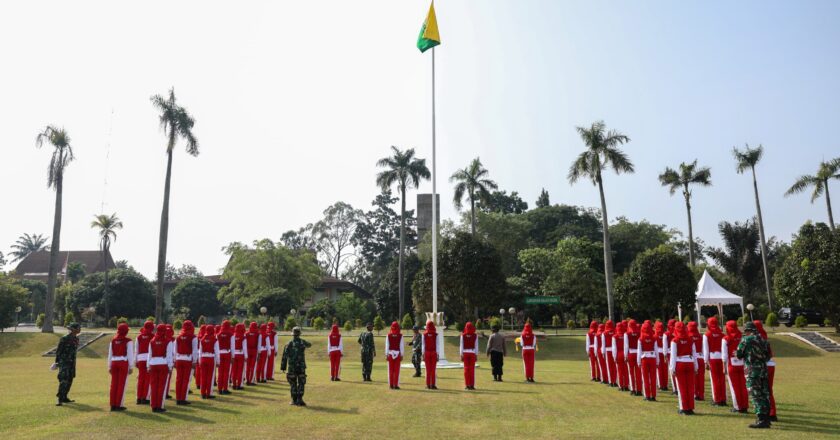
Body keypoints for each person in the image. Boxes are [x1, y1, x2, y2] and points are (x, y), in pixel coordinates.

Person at [738, 321, 773, 429]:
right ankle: (766, 418)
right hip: (763, 370)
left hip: (752, 371)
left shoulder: (746, 340)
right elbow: (769, 355)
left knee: (756, 395)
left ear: (748, 331)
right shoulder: (764, 340)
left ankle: (761, 419)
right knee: (765, 394)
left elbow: (739, 354)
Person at [669, 322, 698, 415]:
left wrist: (672, 369)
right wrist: (696, 366)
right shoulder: (690, 340)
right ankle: (690, 407)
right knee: (690, 387)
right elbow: (694, 354)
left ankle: (683, 408)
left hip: (680, 363)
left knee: (681, 387)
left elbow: (673, 356)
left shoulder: (675, 340)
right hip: (690, 363)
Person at [722, 320, 749, 413]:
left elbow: (724, 356)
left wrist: (724, 367)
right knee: (743, 386)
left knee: (734, 387)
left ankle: (737, 407)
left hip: (731, 364)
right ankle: (744, 406)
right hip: (742, 363)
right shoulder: (742, 337)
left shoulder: (726, 339)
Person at [52, 322, 81, 406]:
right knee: (63, 380)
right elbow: (59, 351)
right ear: (73, 329)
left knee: (70, 379)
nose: (79, 329)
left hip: (72, 363)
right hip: (64, 362)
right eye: (78, 328)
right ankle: (59, 398)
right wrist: (57, 362)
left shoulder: (76, 339)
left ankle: (65, 397)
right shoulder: (64, 338)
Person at [753, 320, 777, 421]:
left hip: (762, 366)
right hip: (771, 364)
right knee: (769, 390)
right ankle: (772, 412)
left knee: (762, 391)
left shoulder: (755, 338)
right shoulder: (764, 335)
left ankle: (766, 414)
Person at [107, 323, 135, 411]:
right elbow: (130, 354)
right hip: (123, 362)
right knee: (121, 384)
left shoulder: (113, 340)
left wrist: (109, 366)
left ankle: (113, 404)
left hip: (114, 362)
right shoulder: (128, 341)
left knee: (114, 384)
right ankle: (119, 404)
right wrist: (131, 366)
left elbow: (110, 354)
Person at [281, 327, 312, 406]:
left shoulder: (288, 344)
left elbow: (284, 357)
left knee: (293, 383)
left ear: (293, 334)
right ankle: (300, 399)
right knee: (301, 382)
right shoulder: (302, 342)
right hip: (301, 366)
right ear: (299, 334)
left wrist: (283, 367)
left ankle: (294, 400)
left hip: (292, 367)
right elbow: (309, 345)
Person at [147, 324, 173, 413]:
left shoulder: (152, 341)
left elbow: (149, 354)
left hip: (153, 364)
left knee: (153, 386)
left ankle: (153, 405)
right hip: (163, 364)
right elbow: (169, 356)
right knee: (161, 386)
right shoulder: (168, 341)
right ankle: (159, 406)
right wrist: (170, 367)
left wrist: (148, 366)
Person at [703, 317, 727, 407]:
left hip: (713, 358)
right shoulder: (722, 334)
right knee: (722, 379)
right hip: (721, 357)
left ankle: (717, 399)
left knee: (714, 380)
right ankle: (723, 399)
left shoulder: (707, 335)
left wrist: (706, 361)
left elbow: (706, 350)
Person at [173, 320, 198, 405]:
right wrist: (194, 361)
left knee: (178, 379)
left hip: (179, 358)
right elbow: (195, 350)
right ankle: (183, 398)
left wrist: (175, 360)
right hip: (187, 359)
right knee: (185, 380)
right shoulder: (193, 337)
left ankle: (178, 398)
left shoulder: (178, 337)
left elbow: (175, 350)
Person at [637, 320, 658, 401]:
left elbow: (639, 351)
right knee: (653, 378)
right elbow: (656, 350)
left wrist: (638, 361)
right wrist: (657, 361)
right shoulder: (654, 337)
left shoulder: (640, 339)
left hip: (644, 358)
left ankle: (647, 396)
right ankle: (653, 396)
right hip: (653, 357)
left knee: (645, 378)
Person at [198, 322, 220, 399]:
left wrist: (199, 361)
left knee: (203, 376)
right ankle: (209, 393)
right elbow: (216, 351)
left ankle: (202, 393)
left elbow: (200, 351)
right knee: (210, 377)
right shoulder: (214, 339)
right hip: (210, 358)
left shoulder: (202, 339)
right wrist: (218, 361)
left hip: (203, 358)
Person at [134, 320, 154, 405]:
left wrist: (135, 360)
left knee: (140, 379)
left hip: (140, 358)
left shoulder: (139, 337)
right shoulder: (153, 336)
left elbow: (136, 350)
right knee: (147, 379)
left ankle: (138, 397)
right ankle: (145, 398)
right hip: (149, 359)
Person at [687, 321, 705, 401]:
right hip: (701, 357)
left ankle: (695, 394)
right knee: (701, 378)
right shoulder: (700, 336)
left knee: (693, 378)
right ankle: (701, 395)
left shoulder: (688, 336)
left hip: (692, 358)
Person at [624, 319, 642, 396]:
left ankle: (633, 389)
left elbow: (626, 346)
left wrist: (625, 355)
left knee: (631, 372)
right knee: (638, 373)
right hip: (638, 353)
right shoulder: (640, 332)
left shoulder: (627, 333)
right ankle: (639, 390)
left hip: (631, 353)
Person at [216, 320, 234, 395]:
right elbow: (232, 346)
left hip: (220, 353)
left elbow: (216, 346)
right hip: (227, 353)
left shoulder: (218, 334)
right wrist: (233, 356)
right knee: (226, 372)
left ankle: (219, 389)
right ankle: (225, 389)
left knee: (220, 372)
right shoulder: (231, 334)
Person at [385, 321, 404, 390]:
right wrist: (402, 354)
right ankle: (396, 385)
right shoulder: (400, 335)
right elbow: (401, 346)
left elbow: (387, 345)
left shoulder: (388, 335)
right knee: (397, 370)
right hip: (397, 353)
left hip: (390, 353)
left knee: (390, 370)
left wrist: (386, 354)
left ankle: (391, 385)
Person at [459, 322, 478, 390]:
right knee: (472, 369)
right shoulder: (475, 335)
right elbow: (476, 345)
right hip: (472, 352)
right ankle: (472, 385)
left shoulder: (463, 335)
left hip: (465, 353)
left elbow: (461, 345)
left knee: (466, 369)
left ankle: (467, 385)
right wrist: (476, 354)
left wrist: (461, 354)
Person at [421, 320, 439, 389]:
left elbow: (423, 345)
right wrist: (437, 354)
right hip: (434, 352)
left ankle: (428, 384)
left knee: (428, 369)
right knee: (433, 369)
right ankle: (433, 384)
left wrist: (423, 354)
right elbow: (437, 345)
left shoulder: (424, 334)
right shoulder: (436, 334)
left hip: (427, 352)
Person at [612, 321, 629, 391]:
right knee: (626, 371)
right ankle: (626, 386)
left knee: (619, 371)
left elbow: (614, 348)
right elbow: (627, 346)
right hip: (625, 353)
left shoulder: (615, 336)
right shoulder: (626, 335)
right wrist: (626, 355)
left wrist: (614, 357)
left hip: (618, 354)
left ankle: (621, 386)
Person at [231, 323, 248, 390]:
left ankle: (233, 384)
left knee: (234, 370)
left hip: (234, 354)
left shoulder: (233, 335)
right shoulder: (243, 337)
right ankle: (239, 385)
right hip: (240, 354)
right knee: (240, 370)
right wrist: (246, 356)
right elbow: (244, 348)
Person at [654, 321, 669, 391]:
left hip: (657, 352)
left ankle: (660, 385)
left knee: (659, 370)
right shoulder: (665, 334)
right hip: (664, 352)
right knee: (665, 370)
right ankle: (665, 385)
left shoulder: (655, 335)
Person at [664, 319, 677, 393]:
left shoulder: (666, 333)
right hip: (678, 353)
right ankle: (678, 388)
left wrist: (665, 354)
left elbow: (665, 345)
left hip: (669, 353)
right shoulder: (679, 332)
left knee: (672, 371)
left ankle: (675, 389)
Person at [601, 320, 616, 386]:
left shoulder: (604, 333)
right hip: (614, 350)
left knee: (609, 367)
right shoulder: (615, 331)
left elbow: (603, 344)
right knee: (614, 367)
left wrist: (603, 352)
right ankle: (615, 381)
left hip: (607, 351)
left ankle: (610, 381)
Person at [164, 325, 175, 400]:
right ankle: (166, 393)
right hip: (169, 360)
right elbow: (173, 352)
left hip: (158, 360)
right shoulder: (172, 340)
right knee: (168, 378)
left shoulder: (161, 338)